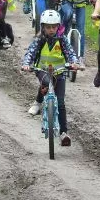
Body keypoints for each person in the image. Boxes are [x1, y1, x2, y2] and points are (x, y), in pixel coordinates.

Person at [21, 9, 79, 147]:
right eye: (48, 27)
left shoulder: (62, 39)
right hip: (42, 70)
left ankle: (64, 133)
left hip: (60, 72)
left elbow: (70, 52)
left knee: (60, 102)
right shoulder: (39, 39)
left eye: (54, 27)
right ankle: (38, 102)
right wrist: (26, 64)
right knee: (47, 81)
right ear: (43, 27)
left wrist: (74, 63)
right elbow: (30, 52)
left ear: (58, 26)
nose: (51, 30)